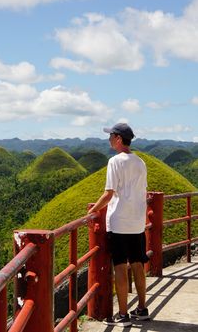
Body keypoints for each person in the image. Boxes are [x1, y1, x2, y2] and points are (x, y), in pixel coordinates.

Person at [88, 122, 150, 327]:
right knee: (138, 266)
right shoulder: (141, 162)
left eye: (111, 136)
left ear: (118, 139)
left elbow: (108, 193)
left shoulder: (114, 162)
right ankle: (142, 308)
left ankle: (123, 314)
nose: (109, 140)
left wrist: (93, 209)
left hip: (119, 223)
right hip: (137, 222)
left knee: (121, 268)